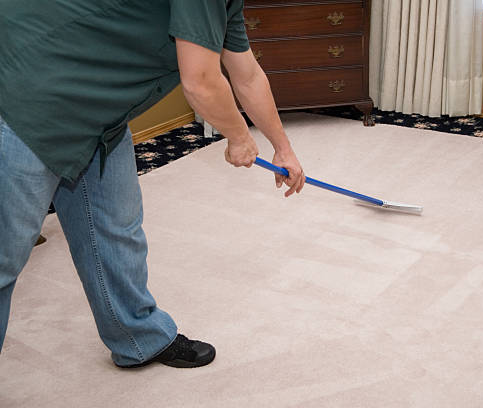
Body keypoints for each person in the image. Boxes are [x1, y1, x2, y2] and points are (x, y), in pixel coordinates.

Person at [0, 0, 305, 368]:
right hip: (24, 93)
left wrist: (282, 148)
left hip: (97, 106)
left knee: (114, 227)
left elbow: (247, 74)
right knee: (4, 255)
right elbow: (201, 82)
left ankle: (138, 337)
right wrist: (239, 138)